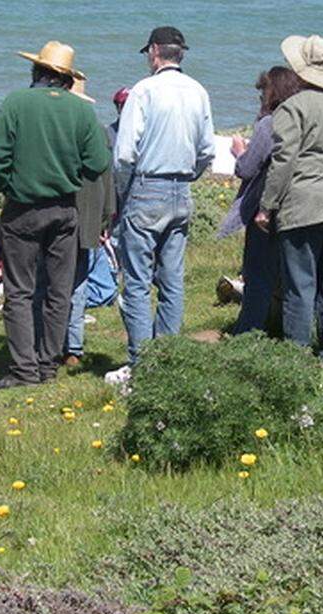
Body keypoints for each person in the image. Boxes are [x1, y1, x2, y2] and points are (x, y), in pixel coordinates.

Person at [0, 41, 110, 389]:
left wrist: (9, 185)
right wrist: (68, 170)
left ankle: (24, 369)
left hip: (22, 208)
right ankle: (47, 365)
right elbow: (98, 163)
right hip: (64, 209)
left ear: (37, 71)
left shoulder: (15, 103)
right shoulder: (81, 111)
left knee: (20, 291)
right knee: (59, 291)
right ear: (67, 79)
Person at [109, 26, 215, 382]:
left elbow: (124, 154)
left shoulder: (144, 90)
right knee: (172, 279)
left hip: (146, 185)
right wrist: (187, 178)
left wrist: (124, 193)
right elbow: (206, 151)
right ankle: (168, 357)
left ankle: (143, 363)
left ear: (155, 52)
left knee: (137, 281)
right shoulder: (198, 91)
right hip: (180, 188)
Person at [256, 34, 323, 357]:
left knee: (300, 284)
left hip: (305, 202)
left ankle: (297, 356)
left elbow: (283, 160)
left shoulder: (292, 107)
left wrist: (267, 206)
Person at [32, 79, 116, 367]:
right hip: (88, 214)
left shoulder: (55, 131)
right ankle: (73, 347)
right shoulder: (98, 131)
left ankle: (43, 341)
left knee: (46, 278)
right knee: (77, 281)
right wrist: (107, 215)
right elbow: (107, 177)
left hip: (58, 211)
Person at [230, 67, 301, 334]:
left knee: (257, 272)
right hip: (298, 204)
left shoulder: (268, 123)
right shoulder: (301, 119)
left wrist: (239, 152)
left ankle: (248, 330)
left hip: (267, 205)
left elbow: (247, 169)